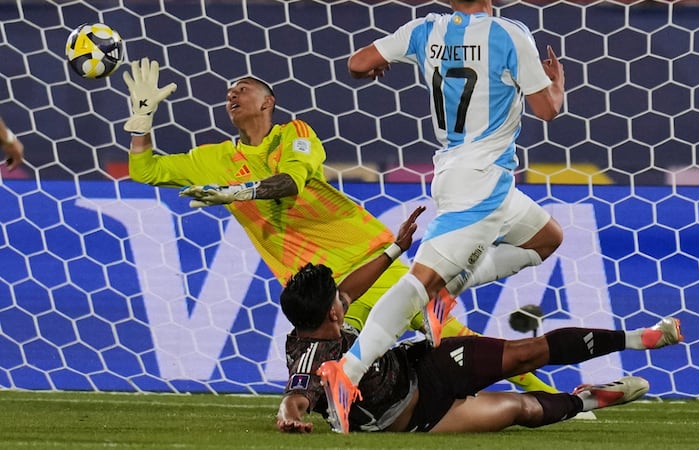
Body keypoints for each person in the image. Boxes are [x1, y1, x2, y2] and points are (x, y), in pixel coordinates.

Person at [120, 58, 557, 393]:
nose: (232, 94)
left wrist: (239, 192)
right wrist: (141, 120)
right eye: (229, 92)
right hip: (318, 288)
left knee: (455, 341)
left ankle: (552, 397)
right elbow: (145, 170)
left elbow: (290, 182)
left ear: (268, 102)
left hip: (371, 262)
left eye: (243, 89)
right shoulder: (215, 159)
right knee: (329, 371)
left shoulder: (295, 134)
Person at [318, 0, 568, 432]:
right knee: (418, 283)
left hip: (466, 174)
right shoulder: (510, 35)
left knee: (547, 238)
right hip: (480, 182)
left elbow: (358, 63)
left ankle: (448, 289)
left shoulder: (425, 30)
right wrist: (557, 87)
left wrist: (377, 68)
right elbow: (546, 110)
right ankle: (347, 373)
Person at [275, 208, 684, 433]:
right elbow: (296, 397)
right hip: (417, 418)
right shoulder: (312, 357)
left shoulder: (321, 317)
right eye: (337, 298)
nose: (344, 296)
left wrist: (396, 248)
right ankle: (588, 398)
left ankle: (638, 338)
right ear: (331, 312)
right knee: (522, 409)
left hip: (424, 364)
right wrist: (290, 417)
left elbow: (350, 289)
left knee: (526, 352)